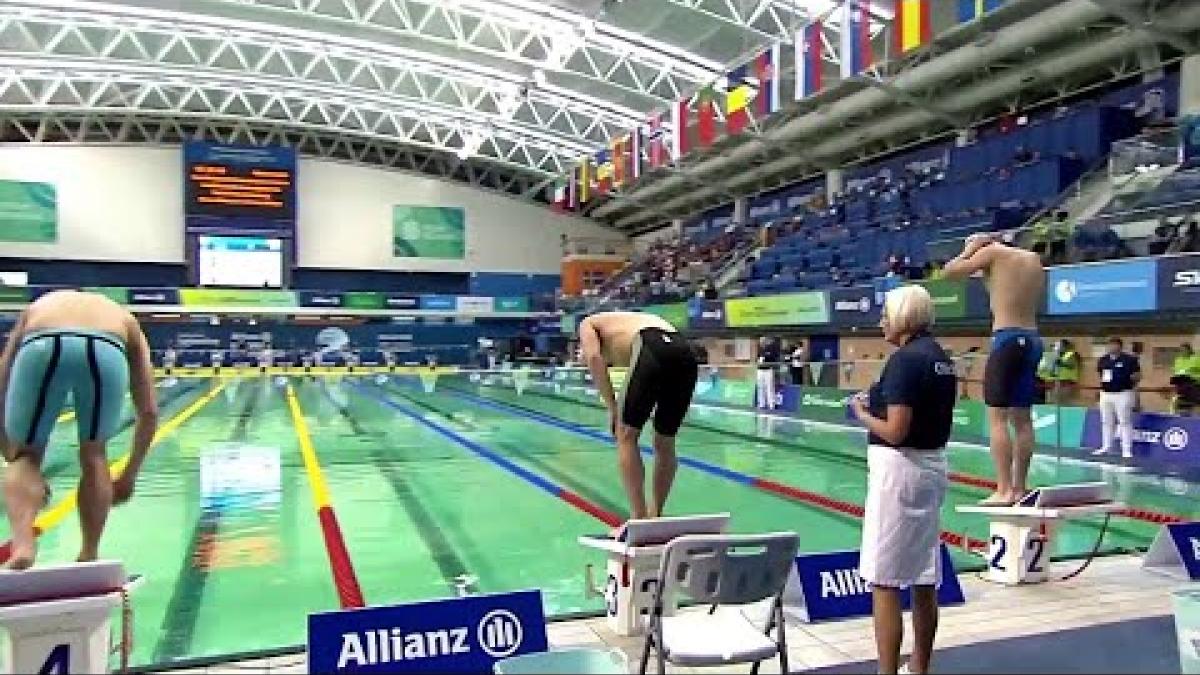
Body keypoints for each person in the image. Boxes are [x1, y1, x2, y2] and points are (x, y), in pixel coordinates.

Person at [0, 290, 158, 569]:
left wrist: (9, 450)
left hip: (42, 340)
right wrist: (129, 475)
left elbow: (3, 376)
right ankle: (89, 554)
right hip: (107, 348)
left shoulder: (39, 306)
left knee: (26, 456)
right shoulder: (124, 318)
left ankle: (23, 544)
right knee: (95, 455)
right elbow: (149, 410)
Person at [850, 285, 955, 675]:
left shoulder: (904, 360)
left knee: (885, 580)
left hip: (900, 472)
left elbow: (896, 431)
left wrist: (861, 413)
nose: (881, 322)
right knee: (924, 576)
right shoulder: (940, 358)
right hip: (931, 467)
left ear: (903, 317)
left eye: (885, 315)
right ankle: (920, 667)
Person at [942, 232, 1045, 506]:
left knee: (997, 418)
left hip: (1007, 339)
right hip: (1033, 340)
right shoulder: (1033, 259)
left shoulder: (993, 254)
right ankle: (1020, 489)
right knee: (1023, 420)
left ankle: (1003, 489)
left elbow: (949, 273)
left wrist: (970, 251)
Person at [578, 311, 698, 526]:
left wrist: (613, 408)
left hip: (650, 344)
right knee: (665, 441)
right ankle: (656, 516)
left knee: (625, 435)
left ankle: (639, 518)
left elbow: (594, 359)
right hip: (684, 351)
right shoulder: (625, 322)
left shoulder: (587, 324)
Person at [1094, 337, 1140, 459]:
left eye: (1113, 345)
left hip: (1123, 393)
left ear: (1120, 346)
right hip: (1106, 394)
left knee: (1124, 422)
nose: (1111, 347)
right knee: (1106, 422)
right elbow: (1101, 375)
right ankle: (1106, 446)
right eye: (1109, 345)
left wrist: (1130, 384)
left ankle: (1126, 449)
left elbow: (1137, 376)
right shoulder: (1103, 360)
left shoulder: (1129, 360)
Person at [756, 336, 780, 410]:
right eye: (760, 341)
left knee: (769, 387)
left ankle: (771, 404)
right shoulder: (759, 349)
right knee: (760, 387)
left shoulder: (771, 348)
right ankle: (761, 404)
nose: (761, 342)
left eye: (763, 341)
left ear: (766, 341)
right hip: (760, 370)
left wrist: (766, 357)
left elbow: (773, 357)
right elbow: (758, 358)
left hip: (768, 370)